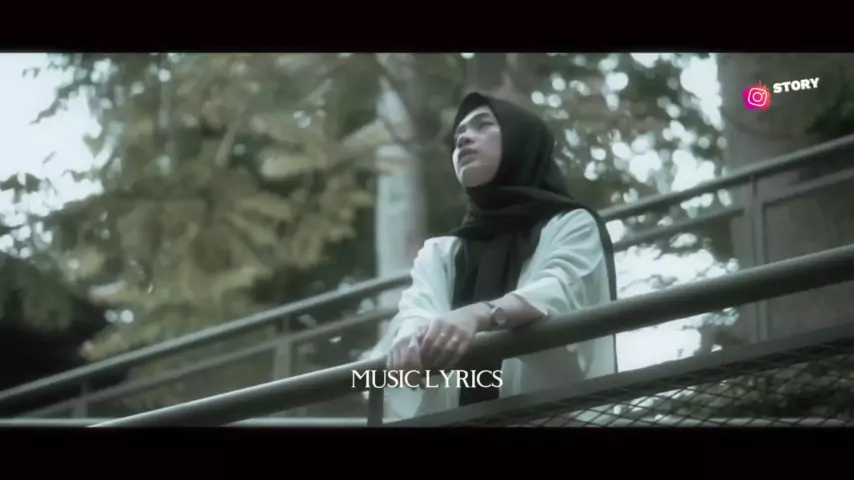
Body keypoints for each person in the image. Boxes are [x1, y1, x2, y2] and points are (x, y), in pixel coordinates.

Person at [370, 92, 618, 421]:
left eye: (483, 125)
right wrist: (408, 337)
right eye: (459, 136)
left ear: (520, 140)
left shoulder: (571, 224)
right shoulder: (442, 252)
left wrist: (479, 315)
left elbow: (560, 289)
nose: (464, 139)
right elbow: (417, 308)